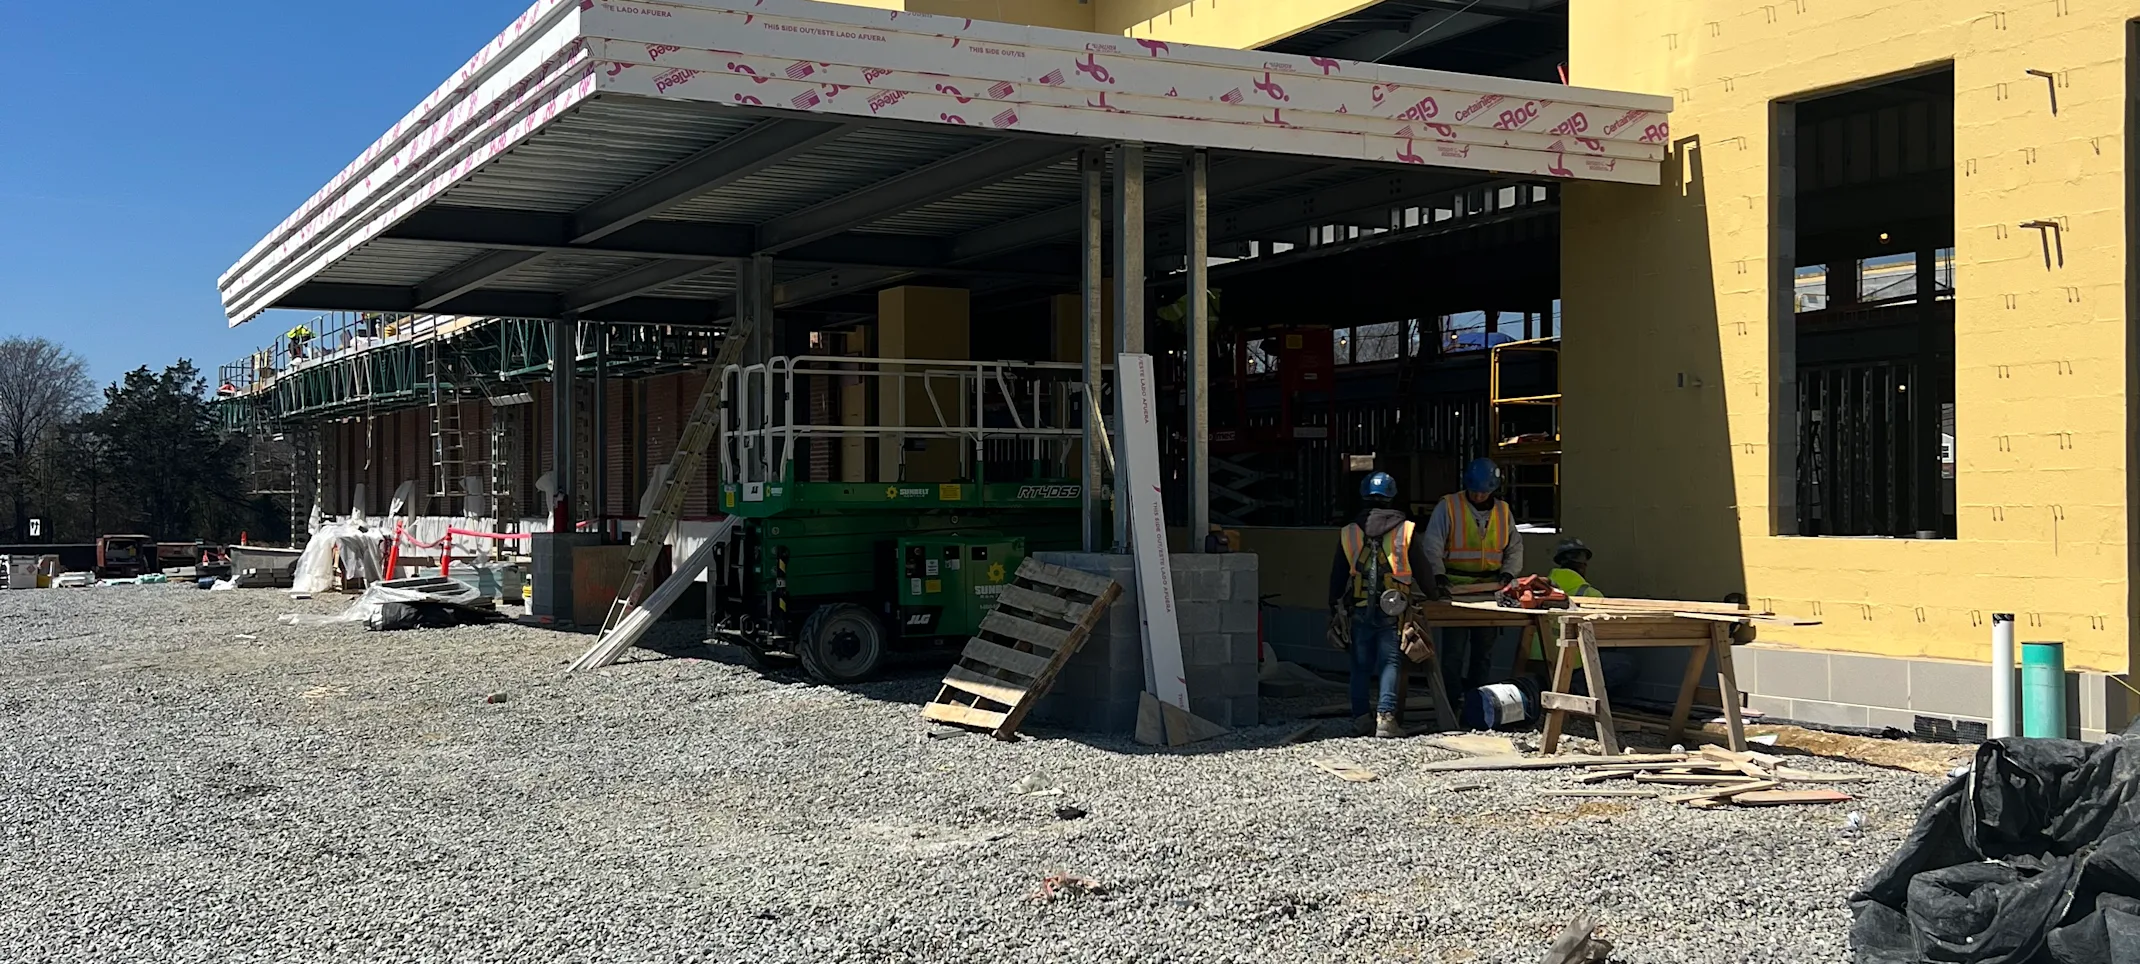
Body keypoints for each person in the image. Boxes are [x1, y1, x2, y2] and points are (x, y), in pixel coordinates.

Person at [1327, 471, 1430, 738]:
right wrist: (1435, 593)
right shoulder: (1405, 529)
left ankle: (1361, 717)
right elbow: (1421, 569)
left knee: (1360, 664)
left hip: (1359, 606)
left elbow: (1338, 574)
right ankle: (1386, 719)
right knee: (1390, 661)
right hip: (1393, 608)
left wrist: (1333, 606)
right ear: (1392, 497)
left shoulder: (1349, 532)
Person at [1422, 457, 1522, 708]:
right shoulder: (1449, 506)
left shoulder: (1503, 511)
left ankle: (1479, 700)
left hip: (1490, 591)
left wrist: (1508, 574)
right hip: (1455, 591)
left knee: (1483, 651)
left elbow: (1514, 547)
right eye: (1475, 491)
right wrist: (1438, 575)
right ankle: (1452, 700)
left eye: (1484, 491)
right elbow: (1433, 544)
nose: (1478, 496)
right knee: (1454, 652)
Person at [1533, 538, 1637, 698]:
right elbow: (1607, 636)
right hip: (1569, 668)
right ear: (1583, 565)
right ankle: (1574, 690)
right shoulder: (1591, 595)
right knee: (1627, 663)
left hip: (1536, 665)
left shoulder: (1539, 589)